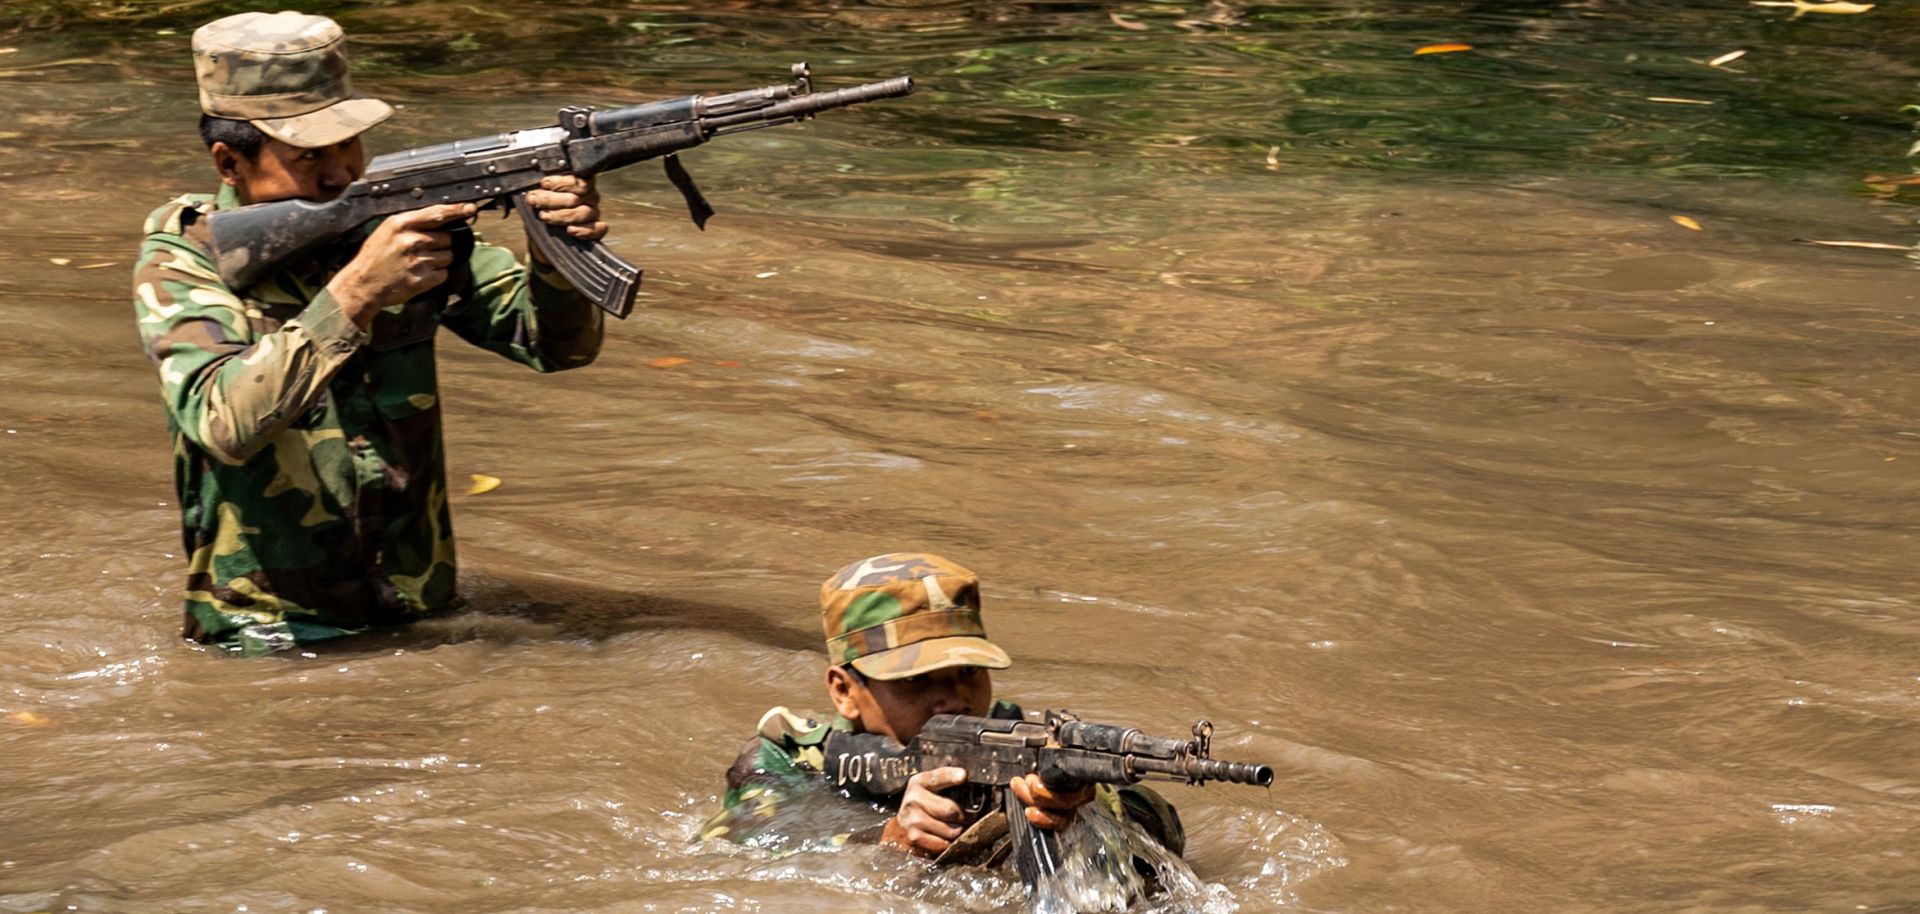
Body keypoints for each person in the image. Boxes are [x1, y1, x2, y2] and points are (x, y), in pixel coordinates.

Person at [133, 11, 611, 655]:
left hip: (425, 611)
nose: (340, 174)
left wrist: (551, 254)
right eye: (309, 157)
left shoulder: (396, 225)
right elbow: (222, 422)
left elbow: (557, 348)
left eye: (349, 146)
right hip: (268, 637)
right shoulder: (183, 259)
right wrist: (357, 291)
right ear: (228, 162)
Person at [702, 552, 1185, 866]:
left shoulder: (1011, 739)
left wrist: (1086, 809)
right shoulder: (787, 759)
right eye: (914, 681)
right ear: (844, 690)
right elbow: (740, 848)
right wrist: (889, 840)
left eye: (969, 672)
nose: (954, 699)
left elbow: (1167, 831)